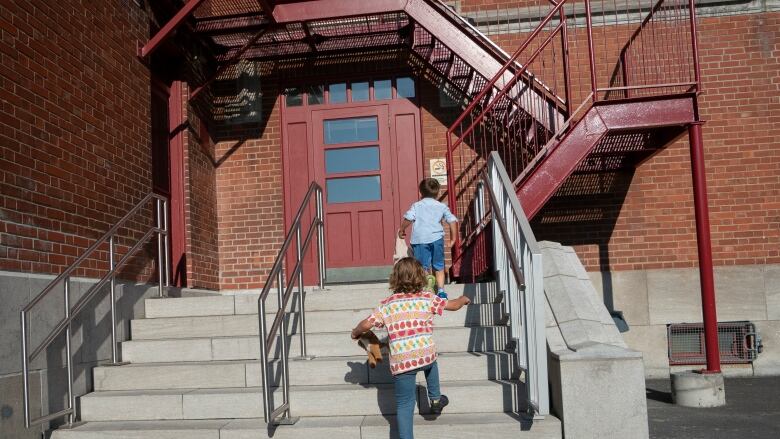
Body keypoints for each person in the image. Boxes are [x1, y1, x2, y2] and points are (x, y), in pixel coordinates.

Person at [351, 257, 471, 439]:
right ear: (420, 277)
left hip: (402, 362)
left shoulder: (387, 304)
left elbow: (367, 324)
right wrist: (462, 299)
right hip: (425, 355)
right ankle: (436, 398)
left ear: (395, 279)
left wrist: (355, 332)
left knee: (405, 404)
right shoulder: (427, 298)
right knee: (431, 362)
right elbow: (453, 305)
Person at [398, 178, 458, 299]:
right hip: (437, 239)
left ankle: (427, 288)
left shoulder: (416, 206)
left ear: (420, 193)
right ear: (438, 193)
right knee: (439, 265)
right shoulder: (441, 206)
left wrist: (402, 229)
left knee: (422, 266)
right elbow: (452, 221)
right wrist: (453, 238)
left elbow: (409, 218)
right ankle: (441, 291)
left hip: (420, 240)